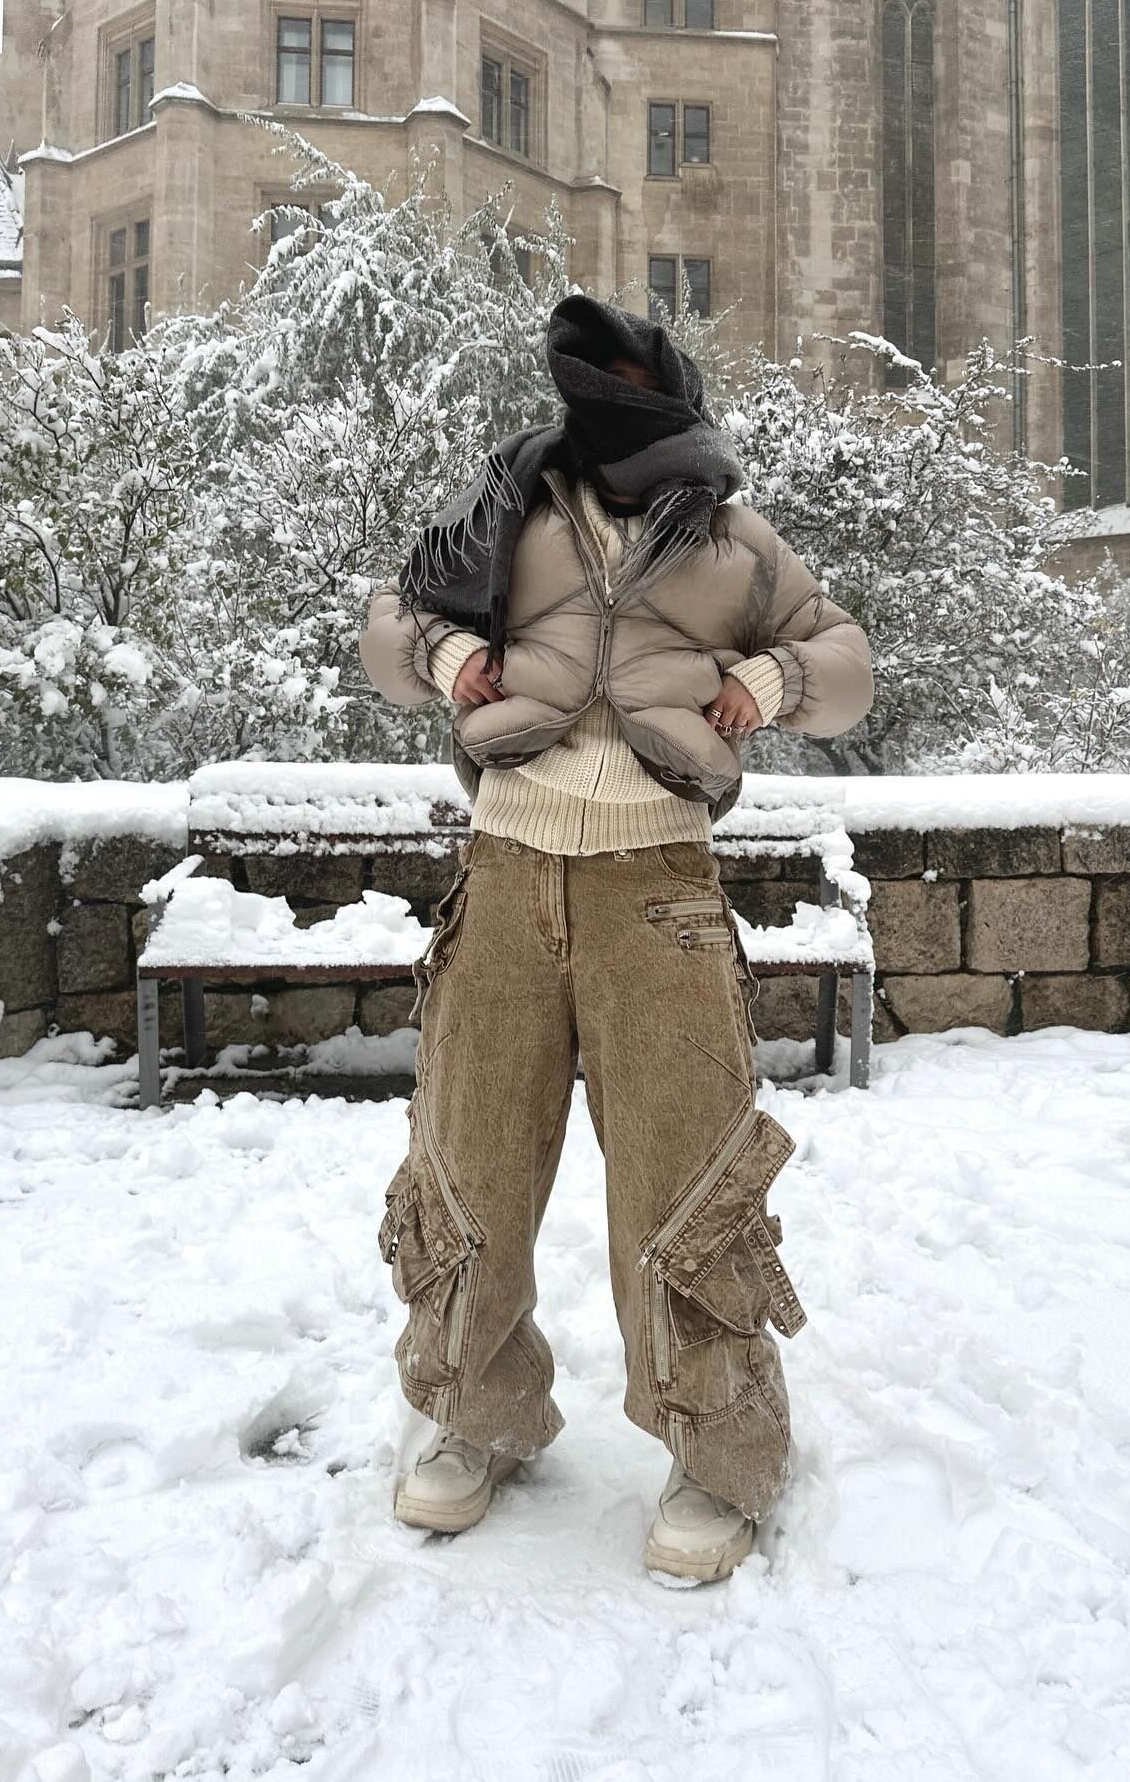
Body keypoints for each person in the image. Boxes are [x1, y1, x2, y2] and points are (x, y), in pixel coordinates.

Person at [358, 294, 873, 1583]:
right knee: (471, 1158)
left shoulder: (731, 539)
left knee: (683, 1177)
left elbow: (845, 662)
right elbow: (389, 627)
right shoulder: (507, 510)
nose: (606, 396)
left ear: (672, 392)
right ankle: (477, 1416)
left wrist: (771, 680)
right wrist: (451, 658)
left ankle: (718, 1452)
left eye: (631, 378)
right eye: (591, 375)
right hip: (506, 869)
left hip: (660, 885)